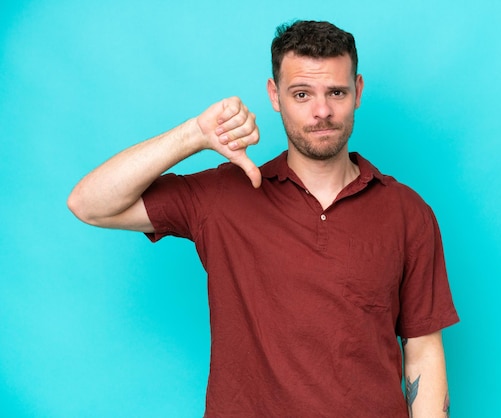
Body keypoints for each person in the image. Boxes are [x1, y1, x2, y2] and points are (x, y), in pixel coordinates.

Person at [68, 20, 459, 418]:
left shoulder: (407, 212)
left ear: (357, 91)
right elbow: (89, 203)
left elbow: (423, 350)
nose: (321, 111)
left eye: (336, 92)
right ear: (275, 95)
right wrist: (195, 135)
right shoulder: (224, 196)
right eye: (302, 94)